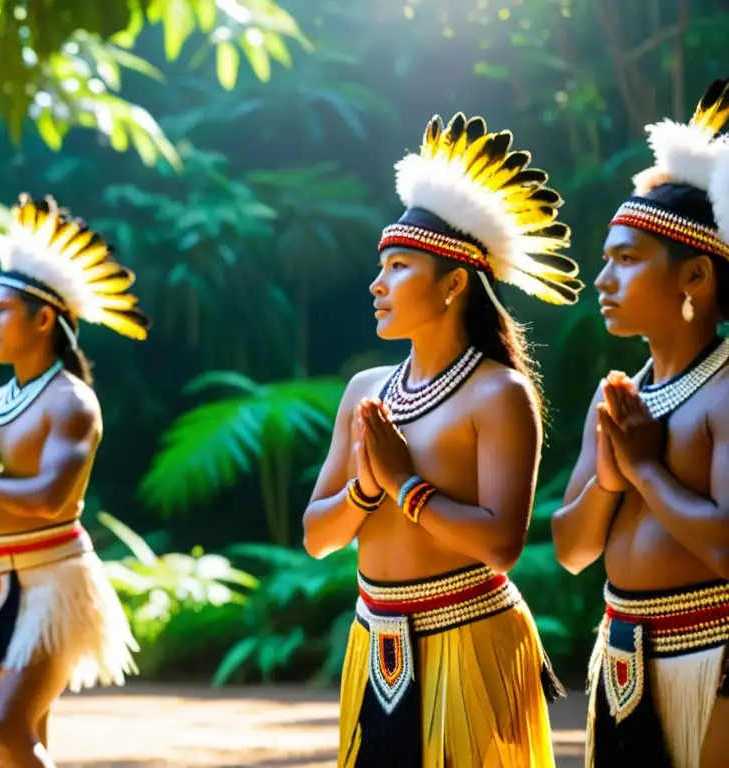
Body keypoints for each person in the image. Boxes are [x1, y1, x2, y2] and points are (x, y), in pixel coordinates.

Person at [303, 112, 583, 768]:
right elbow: (318, 538)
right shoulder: (365, 389)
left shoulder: (499, 394)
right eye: (382, 266)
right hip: (374, 640)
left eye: (398, 266)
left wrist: (403, 484)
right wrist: (367, 486)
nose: (377, 284)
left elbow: (501, 545)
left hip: (471, 640)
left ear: (454, 283)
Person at [0, 193, 149, 767]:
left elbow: (51, 499)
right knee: (14, 743)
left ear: (43, 318)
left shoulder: (73, 403)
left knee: (9, 732)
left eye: (1, 311)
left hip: (53, 581)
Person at [551, 78, 729, 768]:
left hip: (711, 662)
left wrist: (646, 469)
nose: (603, 280)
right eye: (604, 260)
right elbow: (570, 548)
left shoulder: (722, 392)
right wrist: (611, 472)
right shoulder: (626, 398)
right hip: (624, 656)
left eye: (626, 260)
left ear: (694, 280)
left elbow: (723, 550)